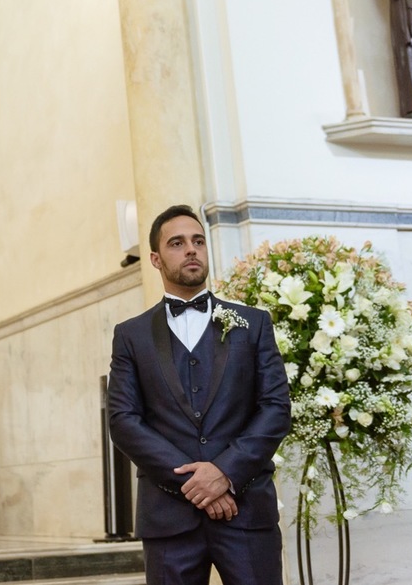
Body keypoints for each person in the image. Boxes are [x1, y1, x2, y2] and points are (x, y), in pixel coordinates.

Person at [107, 204, 290, 585]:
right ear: (155, 259)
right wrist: (195, 484)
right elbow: (124, 421)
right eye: (177, 243)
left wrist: (225, 473)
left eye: (198, 241)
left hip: (245, 510)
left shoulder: (253, 324)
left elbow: (275, 409)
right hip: (169, 519)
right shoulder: (131, 335)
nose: (191, 250)